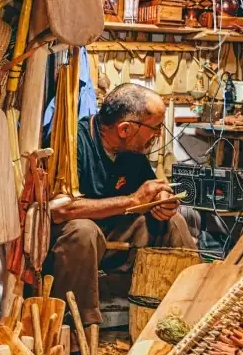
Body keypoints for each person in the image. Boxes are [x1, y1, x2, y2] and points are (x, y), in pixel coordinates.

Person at [47, 83, 200, 327]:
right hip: (71, 239)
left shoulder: (132, 150)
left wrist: (161, 200)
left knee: (175, 221)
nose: (158, 134)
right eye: (155, 127)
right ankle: (79, 328)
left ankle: (192, 307)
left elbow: (147, 187)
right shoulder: (71, 141)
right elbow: (59, 209)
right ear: (125, 128)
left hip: (114, 232)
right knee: (83, 231)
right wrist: (132, 201)